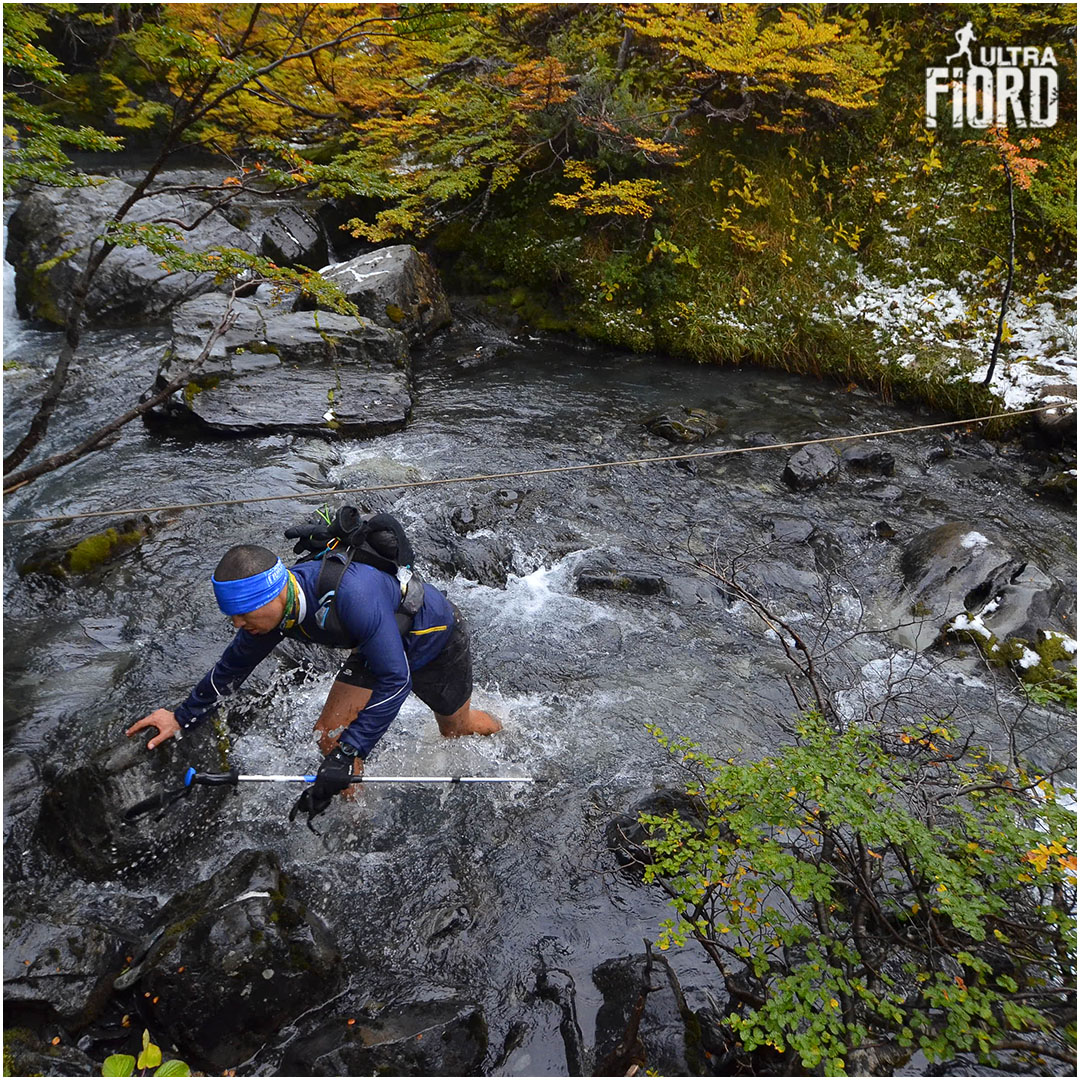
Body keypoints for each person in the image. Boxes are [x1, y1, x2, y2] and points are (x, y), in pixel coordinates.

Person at [127, 542, 500, 822]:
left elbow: (397, 681)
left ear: (273, 594)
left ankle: (506, 733)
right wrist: (181, 717)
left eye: (242, 615)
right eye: (232, 617)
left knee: (456, 729)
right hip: (377, 642)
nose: (237, 625)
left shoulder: (351, 598)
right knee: (329, 736)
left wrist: (351, 752)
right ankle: (359, 819)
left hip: (433, 636)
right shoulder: (277, 609)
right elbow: (232, 669)